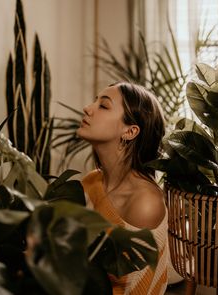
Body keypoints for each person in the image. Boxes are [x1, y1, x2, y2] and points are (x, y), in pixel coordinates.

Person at [77, 81, 168, 295]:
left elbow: (138, 289)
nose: (88, 108)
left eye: (104, 106)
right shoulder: (91, 182)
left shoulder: (145, 202)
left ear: (130, 131)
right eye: (95, 101)